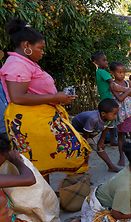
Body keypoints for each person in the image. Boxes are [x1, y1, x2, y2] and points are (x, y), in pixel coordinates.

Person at [0, 18, 90, 179]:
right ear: (26, 45)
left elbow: (36, 92)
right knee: (74, 151)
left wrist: (58, 98)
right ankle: (44, 196)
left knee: (41, 161)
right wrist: (56, 97)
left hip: (39, 118)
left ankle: (46, 195)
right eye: (40, 48)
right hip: (29, 121)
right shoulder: (17, 64)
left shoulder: (26, 63)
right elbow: (18, 97)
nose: (42, 52)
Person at [71, 98, 120, 172]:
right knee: (80, 151)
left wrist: (101, 141)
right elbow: (86, 133)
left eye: (116, 114)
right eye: (114, 114)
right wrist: (84, 144)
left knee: (99, 147)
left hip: (90, 132)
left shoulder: (110, 118)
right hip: (76, 130)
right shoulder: (93, 118)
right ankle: (79, 172)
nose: (116, 116)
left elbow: (106, 129)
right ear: (103, 113)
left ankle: (111, 167)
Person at [109, 61, 131, 167]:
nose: (122, 74)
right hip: (121, 113)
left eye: (123, 72)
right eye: (119, 72)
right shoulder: (113, 85)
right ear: (112, 73)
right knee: (121, 136)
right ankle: (122, 157)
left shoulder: (127, 82)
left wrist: (123, 89)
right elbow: (120, 98)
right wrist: (129, 90)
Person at [91, 52, 118, 146]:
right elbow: (112, 83)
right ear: (96, 62)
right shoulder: (102, 72)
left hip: (105, 97)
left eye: (106, 60)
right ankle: (112, 139)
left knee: (108, 118)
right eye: (103, 60)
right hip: (108, 97)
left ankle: (107, 138)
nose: (106, 62)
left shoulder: (98, 71)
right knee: (112, 118)